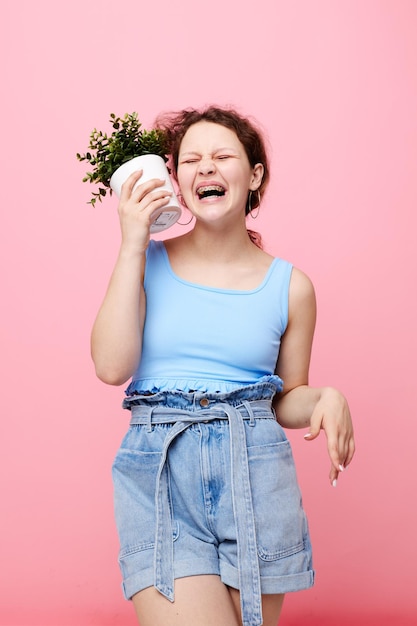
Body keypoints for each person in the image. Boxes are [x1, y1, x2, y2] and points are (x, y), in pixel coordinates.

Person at [91, 106, 355, 626]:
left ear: (254, 175)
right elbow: (110, 365)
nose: (206, 167)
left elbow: (285, 399)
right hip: (160, 473)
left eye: (222, 156)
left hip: (255, 473)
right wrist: (131, 245)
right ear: (176, 179)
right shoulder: (144, 262)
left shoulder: (292, 287)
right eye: (191, 159)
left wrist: (326, 398)